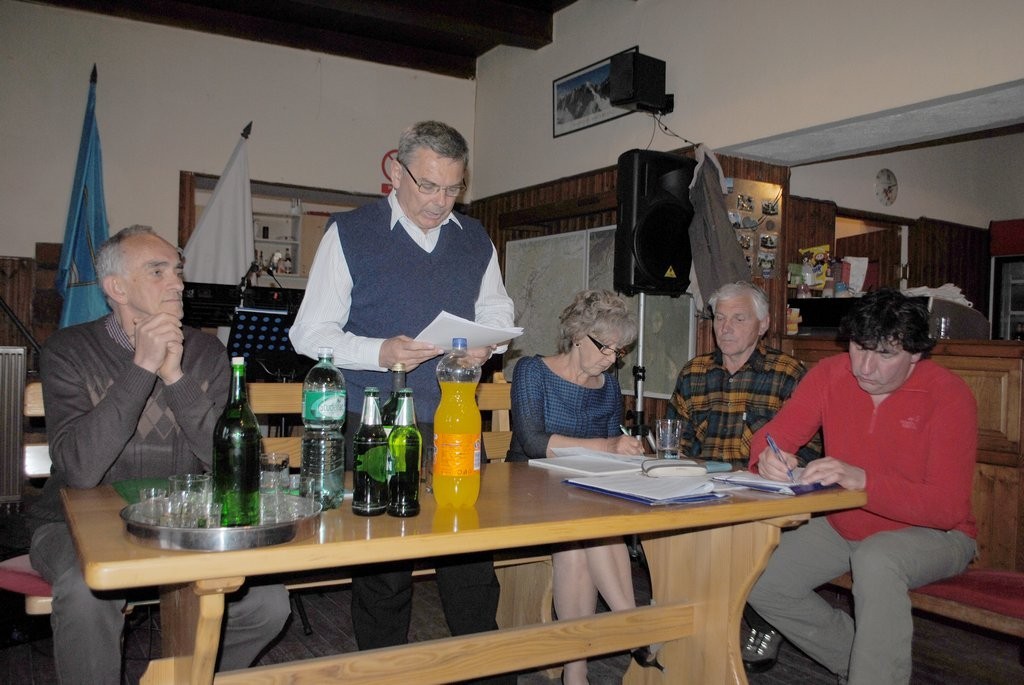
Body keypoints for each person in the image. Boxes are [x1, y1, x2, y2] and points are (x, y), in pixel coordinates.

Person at [289, 121, 515, 679]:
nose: (440, 202)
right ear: (395, 170)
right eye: (428, 186)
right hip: (374, 421)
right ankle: (383, 672)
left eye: (453, 189)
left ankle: (487, 672)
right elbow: (309, 333)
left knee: (469, 557)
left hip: (453, 417)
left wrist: (483, 345)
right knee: (384, 565)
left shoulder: (475, 239)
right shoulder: (350, 232)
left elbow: (497, 311)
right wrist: (380, 350)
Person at [27, 226, 291, 684]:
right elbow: (80, 470)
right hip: (72, 523)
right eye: (158, 272)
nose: (178, 283)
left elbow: (228, 462)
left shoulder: (206, 352)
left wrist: (175, 378)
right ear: (116, 288)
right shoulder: (68, 351)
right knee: (87, 591)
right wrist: (142, 367)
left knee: (267, 604)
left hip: (183, 520)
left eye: (178, 271)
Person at [747, 288, 977, 685]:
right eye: (859, 348)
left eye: (885, 354)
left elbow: (947, 508)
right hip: (846, 523)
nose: (865, 367)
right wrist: (768, 458)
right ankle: (861, 664)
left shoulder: (949, 394)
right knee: (758, 576)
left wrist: (864, 481)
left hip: (937, 535)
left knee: (877, 559)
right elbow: (772, 438)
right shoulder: (830, 375)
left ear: (915, 354)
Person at [665, 280, 821, 672]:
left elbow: (815, 448)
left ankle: (757, 622)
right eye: (720, 318)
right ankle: (683, 627)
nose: (726, 328)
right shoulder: (694, 373)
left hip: (760, 495)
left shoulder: (788, 374)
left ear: (763, 324)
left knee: (735, 544)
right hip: (701, 492)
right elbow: (675, 440)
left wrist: (785, 463)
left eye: (739, 318)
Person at [506, 289, 658, 685]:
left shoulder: (608, 386)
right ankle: (633, 628)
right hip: (527, 487)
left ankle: (576, 673)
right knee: (586, 529)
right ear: (577, 335)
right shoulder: (532, 371)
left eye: (618, 351)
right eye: (604, 347)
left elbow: (610, 451)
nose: (611, 358)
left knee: (581, 540)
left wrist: (625, 451)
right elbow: (532, 442)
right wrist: (607, 446)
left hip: (579, 493)